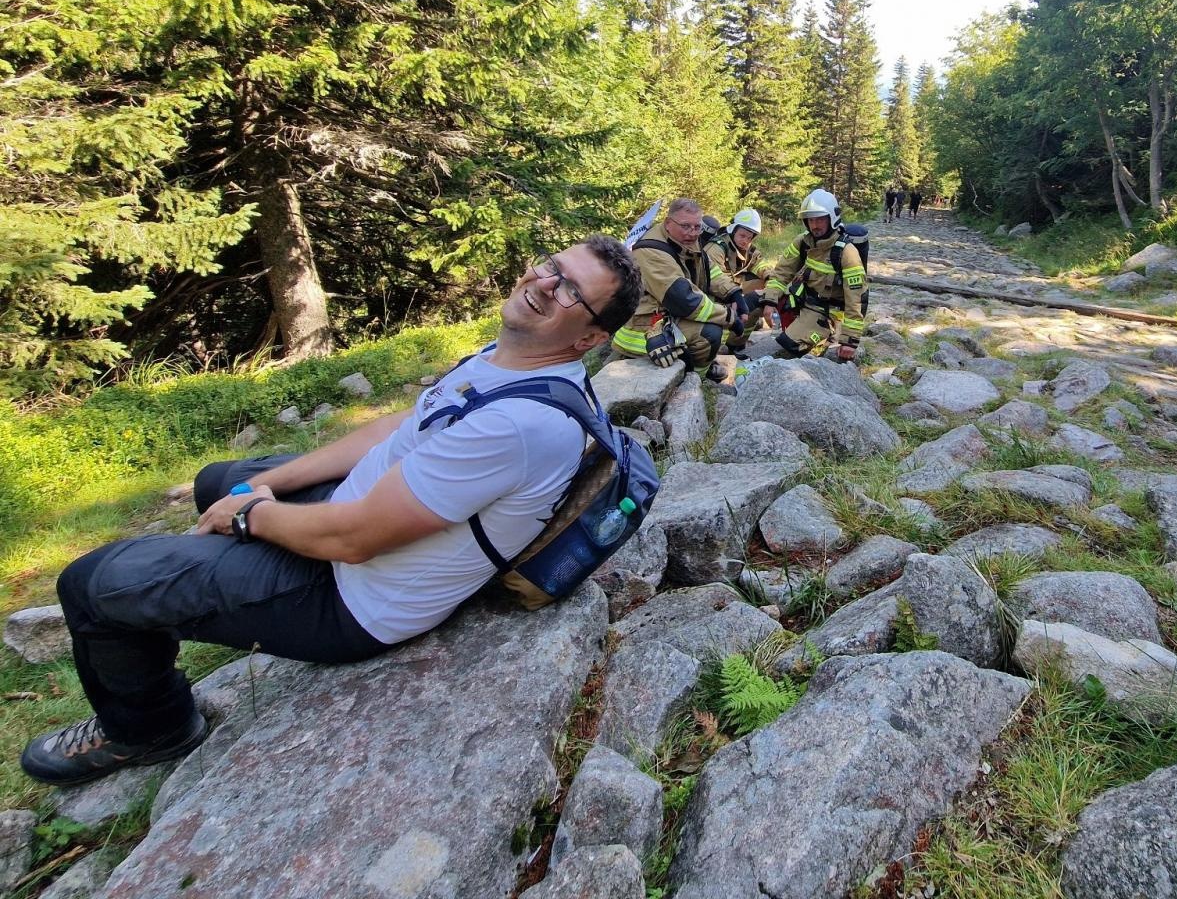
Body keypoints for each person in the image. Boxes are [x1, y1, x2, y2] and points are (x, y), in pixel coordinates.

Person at [20, 237, 642, 787]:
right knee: (221, 480)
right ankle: (203, 584)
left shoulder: (521, 424)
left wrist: (251, 517)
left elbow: (353, 540)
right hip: (363, 513)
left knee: (93, 583)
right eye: (549, 267)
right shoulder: (508, 361)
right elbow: (401, 428)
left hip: (354, 595)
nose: (542, 284)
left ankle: (151, 728)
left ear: (589, 338)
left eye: (568, 291)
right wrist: (263, 484)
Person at [610, 197, 739, 381]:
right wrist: (729, 317)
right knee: (710, 334)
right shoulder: (651, 251)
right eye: (686, 226)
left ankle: (698, 369)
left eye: (697, 227)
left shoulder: (684, 239)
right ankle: (697, 381)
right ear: (668, 223)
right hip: (644, 327)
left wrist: (733, 292)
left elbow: (709, 270)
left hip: (668, 312)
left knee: (717, 321)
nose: (693, 233)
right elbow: (684, 300)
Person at [760, 188, 868, 362]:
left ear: (831, 219)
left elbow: (855, 300)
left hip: (827, 312)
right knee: (751, 301)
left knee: (789, 345)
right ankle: (734, 347)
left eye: (820, 219)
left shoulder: (846, 252)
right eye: (811, 220)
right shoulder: (803, 242)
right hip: (803, 300)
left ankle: (827, 336)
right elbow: (782, 272)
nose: (815, 225)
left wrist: (849, 341)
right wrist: (770, 300)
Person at [702, 208, 766, 357]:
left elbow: (760, 264)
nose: (745, 241)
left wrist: (769, 276)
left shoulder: (745, 248)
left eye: (750, 238)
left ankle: (735, 345)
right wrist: (737, 295)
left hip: (732, 289)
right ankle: (719, 348)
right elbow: (716, 281)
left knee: (760, 297)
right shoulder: (716, 248)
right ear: (732, 230)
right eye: (742, 235)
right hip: (713, 294)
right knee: (747, 303)